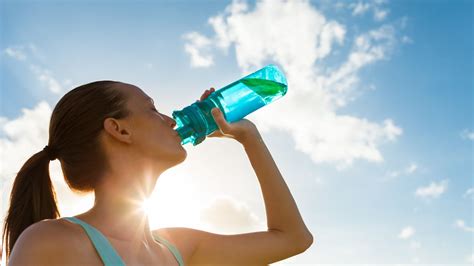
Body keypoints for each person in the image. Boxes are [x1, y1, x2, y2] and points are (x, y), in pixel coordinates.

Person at [2, 80, 313, 265]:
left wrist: (249, 138)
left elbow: (294, 238)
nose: (170, 119)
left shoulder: (177, 249)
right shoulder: (51, 242)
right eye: (152, 109)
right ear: (119, 129)